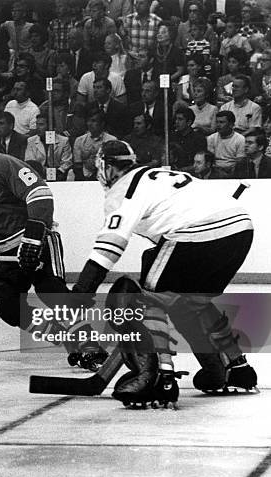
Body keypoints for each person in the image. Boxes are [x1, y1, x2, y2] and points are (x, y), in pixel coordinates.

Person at [69, 139, 257, 407]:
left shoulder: (123, 188)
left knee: (138, 300)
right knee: (191, 303)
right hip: (240, 231)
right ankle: (235, 368)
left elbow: (110, 244)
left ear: (108, 168)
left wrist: (81, 292)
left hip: (194, 233)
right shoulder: (164, 176)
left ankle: (159, 379)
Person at [0, 115, 106, 369]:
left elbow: (40, 194)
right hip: (3, 253)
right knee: (8, 308)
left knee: (53, 293)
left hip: (36, 242)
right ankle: (66, 338)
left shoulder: (4, 165)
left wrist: (33, 238)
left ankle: (90, 347)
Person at [24, 111, 73, 180]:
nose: (38, 127)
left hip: (58, 175)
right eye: (37, 124)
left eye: (41, 124)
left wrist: (58, 172)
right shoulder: (31, 141)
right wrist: (42, 170)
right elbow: (30, 161)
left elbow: (67, 162)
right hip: (38, 176)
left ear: (50, 126)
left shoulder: (64, 141)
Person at [206, 110, 246, 177]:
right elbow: (210, 160)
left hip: (232, 171)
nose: (218, 125)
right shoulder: (211, 138)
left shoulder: (240, 139)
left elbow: (240, 162)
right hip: (214, 170)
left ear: (231, 124)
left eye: (221, 122)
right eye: (217, 122)